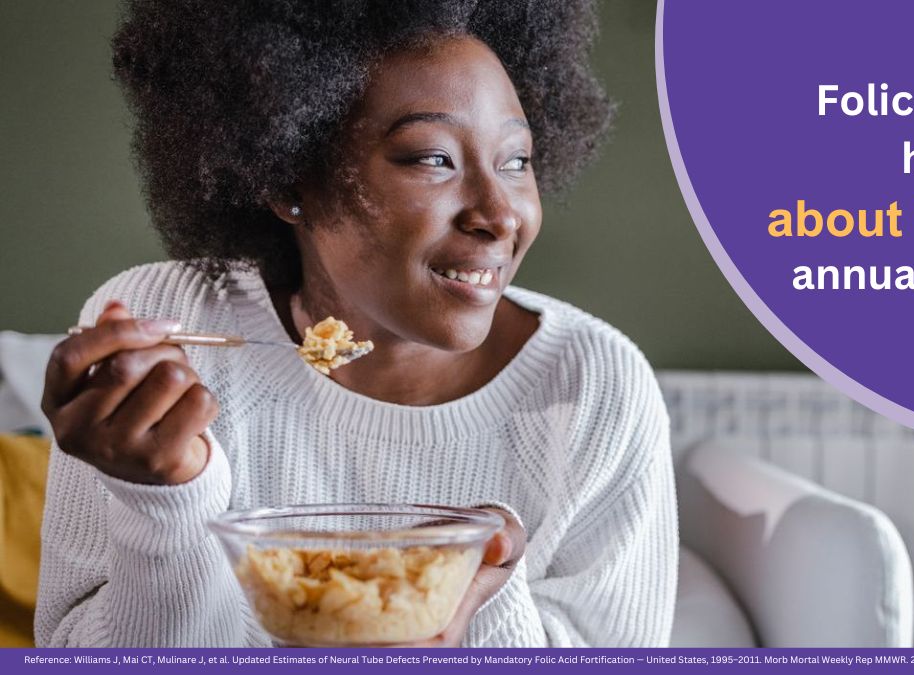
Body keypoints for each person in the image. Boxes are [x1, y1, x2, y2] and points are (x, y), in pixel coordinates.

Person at [35, 0, 677, 648]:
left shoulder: (596, 387)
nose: (500, 214)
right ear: (290, 178)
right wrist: (166, 504)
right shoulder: (170, 338)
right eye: (432, 158)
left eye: (517, 160)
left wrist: (476, 586)